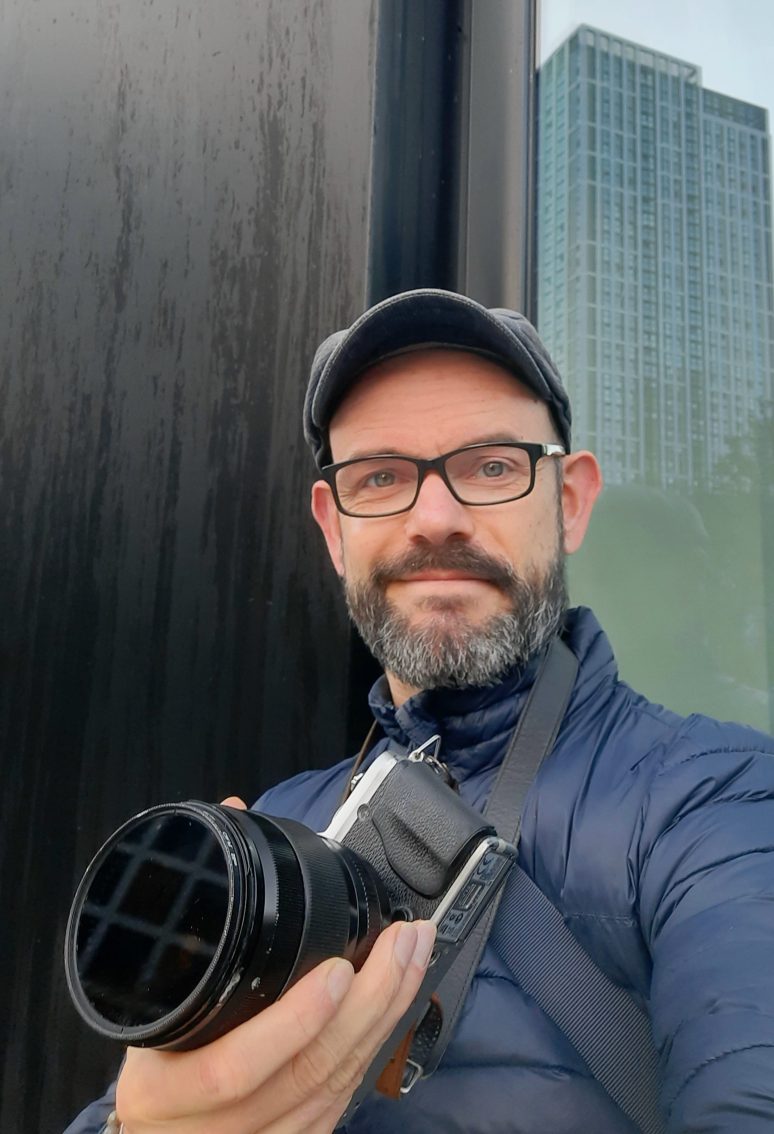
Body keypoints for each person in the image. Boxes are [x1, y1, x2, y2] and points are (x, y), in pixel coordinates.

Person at [66, 289, 774, 1134]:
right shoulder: (284, 822)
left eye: (492, 465)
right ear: (334, 530)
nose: (434, 518)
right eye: (381, 477)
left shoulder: (719, 801)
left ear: (572, 501)